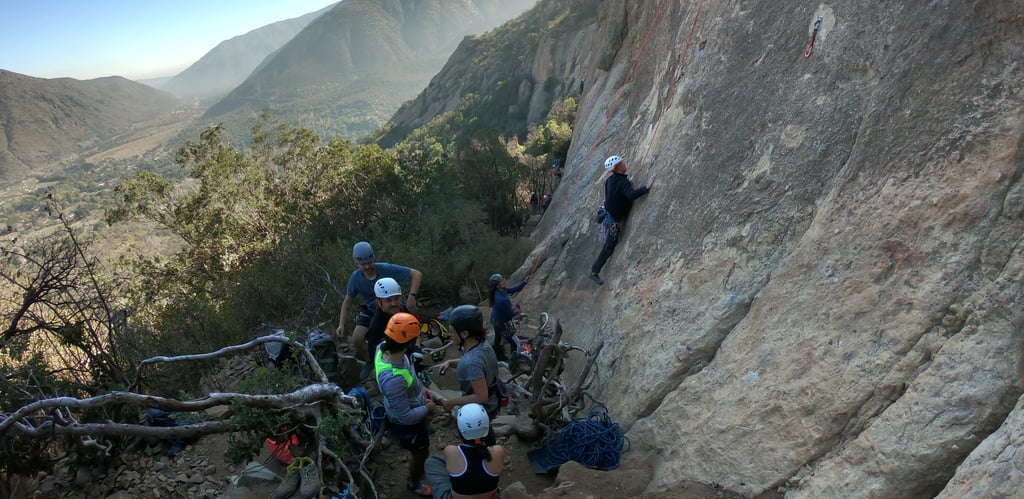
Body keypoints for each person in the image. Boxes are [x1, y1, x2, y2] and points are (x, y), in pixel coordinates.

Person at [337, 241, 422, 377]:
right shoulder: (356, 278)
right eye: (363, 264)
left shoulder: (385, 269)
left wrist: (412, 296)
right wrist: (341, 324)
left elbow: (416, 274)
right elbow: (347, 303)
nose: (367, 266)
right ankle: (371, 361)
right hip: (371, 309)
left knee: (401, 331)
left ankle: (409, 355)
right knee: (357, 339)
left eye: (369, 262)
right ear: (356, 263)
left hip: (392, 306)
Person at [376, 312, 436, 497]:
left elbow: (408, 372)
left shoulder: (382, 349)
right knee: (421, 451)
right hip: (405, 422)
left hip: (405, 402)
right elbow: (405, 416)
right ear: (409, 343)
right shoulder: (393, 379)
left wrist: (421, 388)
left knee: (420, 446)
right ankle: (414, 482)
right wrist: (428, 408)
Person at [436, 305, 500, 444]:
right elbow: (473, 361)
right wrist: (451, 362)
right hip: (494, 397)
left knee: (475, 439)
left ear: (464, 334)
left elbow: (481, 396)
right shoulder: (482, 344)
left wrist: (451, 402)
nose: (449, 335)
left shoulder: (472, 362)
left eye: (452, 332)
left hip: (483, 408)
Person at [589, 155, 654, 286]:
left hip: (607, 213)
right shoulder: (622, 182)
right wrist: (646, 187)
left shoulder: (609, 180)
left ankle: (594, 271)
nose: (624, 164)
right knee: (608, 247)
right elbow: (630, 195)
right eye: (622, 163)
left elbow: (609, 196)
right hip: (613, 219)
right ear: (618, 167)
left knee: (608, 244)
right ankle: (594, 272)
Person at [424, 403, 505, 499]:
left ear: (460, 431)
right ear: (488, 427)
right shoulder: (498, 451)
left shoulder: (451, 451)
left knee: (432, 462)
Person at [487, 274, 525, 362]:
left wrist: (524, 282)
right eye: (501, 280)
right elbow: (510, 315)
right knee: (514, 342)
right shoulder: (501, 299)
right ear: (497, 285)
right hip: (501, 323)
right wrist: (517, 312)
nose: (504, 280)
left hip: (496, 320)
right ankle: (513, 362)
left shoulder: (501, 291)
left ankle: (497, 355)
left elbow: (513, 289)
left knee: (498, 337)